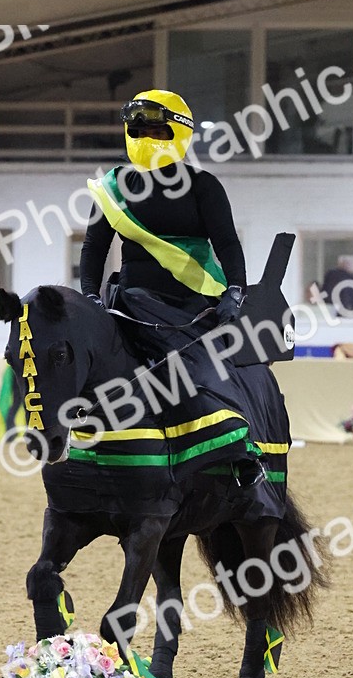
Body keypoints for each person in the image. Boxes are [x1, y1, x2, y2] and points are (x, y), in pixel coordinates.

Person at [80, 88, 262, 483]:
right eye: (138, 130)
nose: (145, 138)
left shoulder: (204, 186)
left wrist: (234, 292)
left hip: (195, 304)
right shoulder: (113, 188)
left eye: (156, 130)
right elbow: (94, 249)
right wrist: (90, 297)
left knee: (219, 370)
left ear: (179, 133)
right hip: (129, 302)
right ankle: (73, 435)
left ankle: (240, 446)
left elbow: (228, 244)